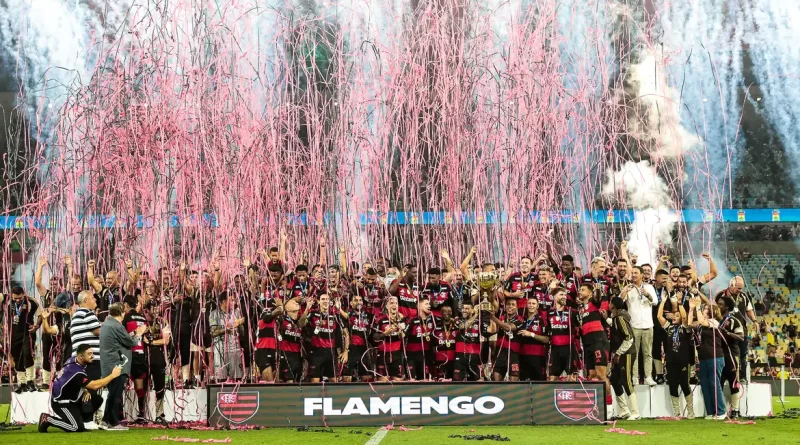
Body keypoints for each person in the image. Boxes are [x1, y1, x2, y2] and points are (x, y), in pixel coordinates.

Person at [38, 344, 122, 433]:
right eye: (89, 354)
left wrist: (84, 389)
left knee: (96, 399)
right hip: (61, 403)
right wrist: (112, 375)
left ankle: (79, 420)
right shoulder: (76, 372)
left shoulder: (74, 360)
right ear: (81, 357)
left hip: (71, 399)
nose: (92, 356)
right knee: (75, 427)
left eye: (92, 353)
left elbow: (71, 381)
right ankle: (47, 419)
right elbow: (94, 386)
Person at [99, 302, 147, 430]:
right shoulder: (117, 326)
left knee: (112, 394)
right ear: (122, 313)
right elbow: (131, 343)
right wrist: (139, 334)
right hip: (117, 365)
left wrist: (132, 334)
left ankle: (105, 420)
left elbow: (121, 339)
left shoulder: (107, 324)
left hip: (108, 365)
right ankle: (114, 422)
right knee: (115, 395)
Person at [656, 292, 694, 419]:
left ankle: (691, 411)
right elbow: (659, 316)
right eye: (674, 315)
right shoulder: (669, 328)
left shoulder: (685, 328)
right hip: (670, 361)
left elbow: (684, 317)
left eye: (676, 316)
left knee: (684, 384)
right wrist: (662, 301)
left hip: (683, 361)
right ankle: (677, 412)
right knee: (672, 385)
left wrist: (679, 303)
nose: (674, 317)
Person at [688, 296, 726, 420]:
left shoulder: (714, 322)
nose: (703, 310)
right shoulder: (701, 325)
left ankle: (721, 411)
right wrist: (691, 308)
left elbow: (702, 321)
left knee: (714, 384)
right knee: (705, 384)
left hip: (715, 356)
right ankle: (710, 411)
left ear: (711, 312)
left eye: (704, 309)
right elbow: (689, 323)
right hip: (703, 357)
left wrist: (698, 307)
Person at [619, 266, 657, 386]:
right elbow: (619, 303)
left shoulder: (649, 287)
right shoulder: (628, 288)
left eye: (636, 273)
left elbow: (655, 301)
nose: (634, 275)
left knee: (648, 353)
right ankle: (635, 377)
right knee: (634, 353)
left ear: (641, 274)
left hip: (648, 325)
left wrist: (647, 295)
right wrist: (624, 291)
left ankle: (648, 376)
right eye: (632, 273)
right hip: (634, 325)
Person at [69, 290, 102, 427]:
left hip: (81, 360)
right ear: (85, 301)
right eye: (93, 298)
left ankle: (82, 419)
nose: (95, 300)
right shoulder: (87, 314)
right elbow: (100, 331)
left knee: (85, 390)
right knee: (91, 389)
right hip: (90, 360)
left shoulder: (76, 315)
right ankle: (87, 420)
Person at [715, 276, 756, 382]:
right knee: (723, 352)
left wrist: (755, 321)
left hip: (741, 330)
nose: (740, 291)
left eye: (741, 288)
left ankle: (741, 376)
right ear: (732, 285)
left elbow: (749, 310)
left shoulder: (744, 296)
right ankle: (722, 375)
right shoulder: (721, 295)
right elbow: (714, 310)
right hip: (724, 329)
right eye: (738, 288)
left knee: (742, 353)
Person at [2, 286, 39, 393]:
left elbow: (41, 315)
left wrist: (36, 326)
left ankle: (30, 381)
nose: (17, 300)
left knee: (27, 354)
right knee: (17, 358)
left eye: (19, 298)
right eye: (15, 298)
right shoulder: (7, 299)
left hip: (27, 334)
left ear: (24, 294)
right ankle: (21, 383)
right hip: (13, 335)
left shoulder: (31, 301)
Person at [609, 298, 639, 420]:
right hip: (620, 353)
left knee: (626, 380)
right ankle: (624, 410)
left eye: (610, 303)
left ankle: (635, 412)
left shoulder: (620, 318)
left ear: (613, 306)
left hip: (627, 353)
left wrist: (618, 353)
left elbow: (629, 337)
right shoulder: (617, 318)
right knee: (615, 380)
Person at [717, 296, 745, 418]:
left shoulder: (734, 321)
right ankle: (720, 410)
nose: (718, 306)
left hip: (732, 356)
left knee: (734, 383)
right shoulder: (716, 320)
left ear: (727, 307)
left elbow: (741, 337)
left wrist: (728, 334)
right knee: (719, 384)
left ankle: (735, 410)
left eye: (720, 304)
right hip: (718, 356)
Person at [209, 292, 245, 381]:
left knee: (237, 378)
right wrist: (230, 327)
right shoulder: (214, 314)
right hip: (221, 349)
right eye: (232, 300)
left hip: (235, 348)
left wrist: (240, 324)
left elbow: (242, 333)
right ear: (224, 302)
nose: (234, 302)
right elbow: (213, 333)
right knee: (221, 379)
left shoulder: (236, 313)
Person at [489, 298, 524, 381]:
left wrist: (493, 318)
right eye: (508, 304)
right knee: (496, 379)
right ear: (505, 306)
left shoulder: (520, 319)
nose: (510, 306)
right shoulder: (501, 318)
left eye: (513, 305)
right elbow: (492, 331)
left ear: (517, 307)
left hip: (513, 354)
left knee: (513, 382)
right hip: (500, 353)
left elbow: (508, 328)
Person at [373, 296, 406, 381]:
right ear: (387, 306)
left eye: (396, 303)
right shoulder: (380, 320)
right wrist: (385, 333)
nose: (394, 305)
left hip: (397, 355)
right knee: (383, 383)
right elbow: (374, 337)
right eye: (391, 303)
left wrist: (402, 333)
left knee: (398, 382)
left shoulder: (402, 320)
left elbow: (405, 337)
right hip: (383, 355)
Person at [517, 298, 549, 380]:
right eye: (529, 303)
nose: (531, 305)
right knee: (523, 383)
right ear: (526, 305)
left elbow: (547, 339)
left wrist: (531, 334)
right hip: (523, 357)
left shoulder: (542, 320)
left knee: (539, 383)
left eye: (534, 304)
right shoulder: (522, 320)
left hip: (538, 358)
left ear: (538, 306)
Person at [276, 299, 304, 383]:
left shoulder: (300, 320)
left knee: (297, 380)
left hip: (297, 354)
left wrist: (307, 308)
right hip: (285, 353)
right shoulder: (282, 319)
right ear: (287, 309)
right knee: (289, 380)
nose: (296, 302)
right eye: (292, 302)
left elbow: (302, 323)